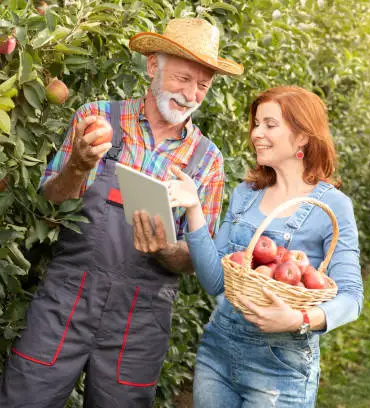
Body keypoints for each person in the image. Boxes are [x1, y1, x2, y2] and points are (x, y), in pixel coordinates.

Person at [0, 18, 243, 407]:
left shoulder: (207, 161)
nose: (192, 94)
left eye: (203, 85)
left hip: (139, 321)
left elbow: (196, 258)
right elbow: (49, 199)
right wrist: (77, 166)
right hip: (66, 301)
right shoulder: (98, 119)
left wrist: (165, 248)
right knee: (24, 398)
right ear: (152, 66)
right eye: (183, 78)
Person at [167, 86, 364, 407]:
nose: (257, 133)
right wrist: (193, 209)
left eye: (270, 125)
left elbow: (352, 298)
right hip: (218, 353)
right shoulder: (247, 194)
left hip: (281, 367)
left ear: (302, 137)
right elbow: (215, 281)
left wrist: (299, 319)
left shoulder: (333, 207)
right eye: (256, 124)